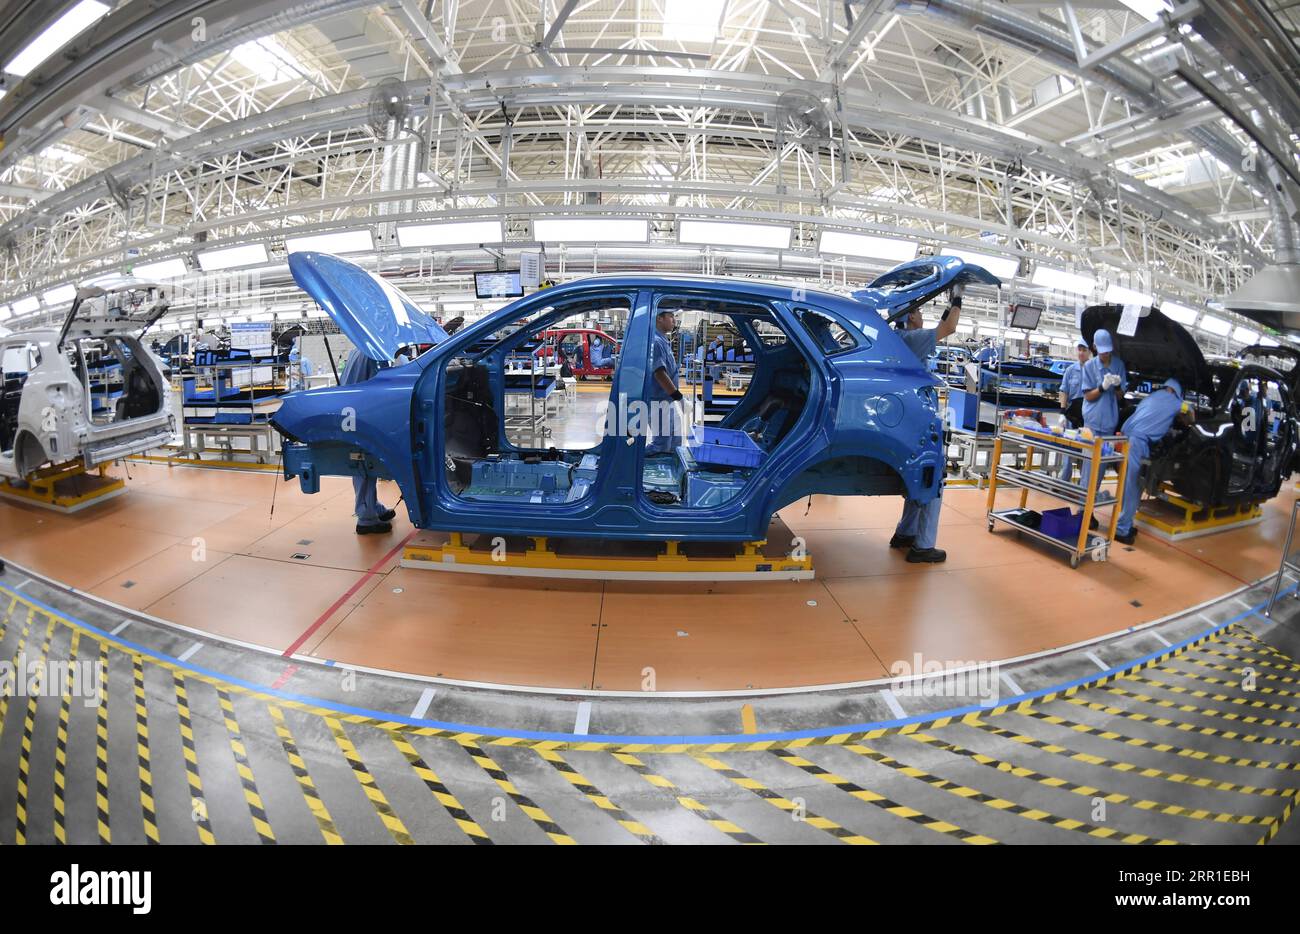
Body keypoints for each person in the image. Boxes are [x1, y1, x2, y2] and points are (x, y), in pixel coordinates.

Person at [889, 286, 964, 563]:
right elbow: (949, 328)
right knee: (934, 481)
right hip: (920, 422)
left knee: (918, 478)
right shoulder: (913, 338)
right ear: (910, 317)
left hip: (906, 420)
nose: (921, 316)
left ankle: (905, 533)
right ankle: (923, 545)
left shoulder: (896, 337)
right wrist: (957, 298)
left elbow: (937, 326)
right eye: (918, 311)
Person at [1114, 379, 1193, 544]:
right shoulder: (1176, 402)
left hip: (1126, 440)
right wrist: (1185, 413)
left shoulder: (1151, 397)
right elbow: (1191, 416)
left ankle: (1124, 524)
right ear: (1177, 391)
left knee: (1127, 485)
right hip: (1138, 443)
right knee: (1134, 486)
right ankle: (1121, 530)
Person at [339, 347, 397, 535]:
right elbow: (379, 387)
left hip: (354, 412)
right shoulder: (373, 353)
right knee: (363, 464)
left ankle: (373, 506)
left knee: (367, 465)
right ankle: (366, 518)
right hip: (361, 414)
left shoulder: (359, 349)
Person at [1078, 328, 1127, 512]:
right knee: (1088, 471)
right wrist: (1102, 386)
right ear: (1095, 347)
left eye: (1108, 350)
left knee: (1099, 472)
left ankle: (1089, 510)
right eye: (1102, 350)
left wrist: (1116, 387)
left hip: (1108, 425)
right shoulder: (1089, 366)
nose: (1105, 354)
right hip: (1090, 425)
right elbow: (1088, 396)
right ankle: (1083, 512)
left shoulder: (1119, 365)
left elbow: (1121, 396)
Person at [648, 309, 685, 454]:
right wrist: (678, 397)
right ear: (659, 318)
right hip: (658, 402)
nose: (674, 321)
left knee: (675, 443)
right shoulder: (655, 342)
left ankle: (673, 472)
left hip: (667, 400)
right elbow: (660, 374)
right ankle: (650, 472)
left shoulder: (663, 340)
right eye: (671, 317)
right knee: (661, 446)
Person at [1056, 339, 1090, 481]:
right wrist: (1062, 413)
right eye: (1079, 349)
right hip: (1072, 416)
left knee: (1086, 450)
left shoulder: (1093, 370)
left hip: (1088, 417)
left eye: (1084, 350)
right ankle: (1064, 482)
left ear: (1089, 352)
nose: (1081, 353)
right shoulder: (1070, 370)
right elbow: (1064, 391)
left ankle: (1085, 484)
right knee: (1067, 450)